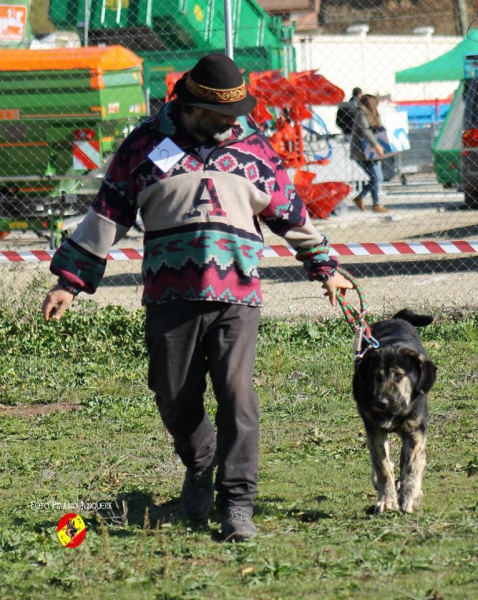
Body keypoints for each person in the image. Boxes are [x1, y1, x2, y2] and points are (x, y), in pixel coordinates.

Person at [42, 53, 354, 542]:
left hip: (238, 294)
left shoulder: (255, 149)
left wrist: (326, 268)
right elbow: (107, 215)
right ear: (191, 106)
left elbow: (289, 214)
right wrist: (70, 281)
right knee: (173, 395)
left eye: (236, 113)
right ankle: (201, 461)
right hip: (170, 295)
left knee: (237, 396)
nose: (234, 121)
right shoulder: (144, 147)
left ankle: (237, 505)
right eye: (222, 115)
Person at [350, 94, 389, 213]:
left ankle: (362, 198)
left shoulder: (373, 115)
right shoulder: (362, 114)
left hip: (371, 152)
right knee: (376, 177)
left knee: (376, 177)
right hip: (362, 151)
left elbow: (378, 128)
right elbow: (365, 131)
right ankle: (374, 204)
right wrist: (376, 145)